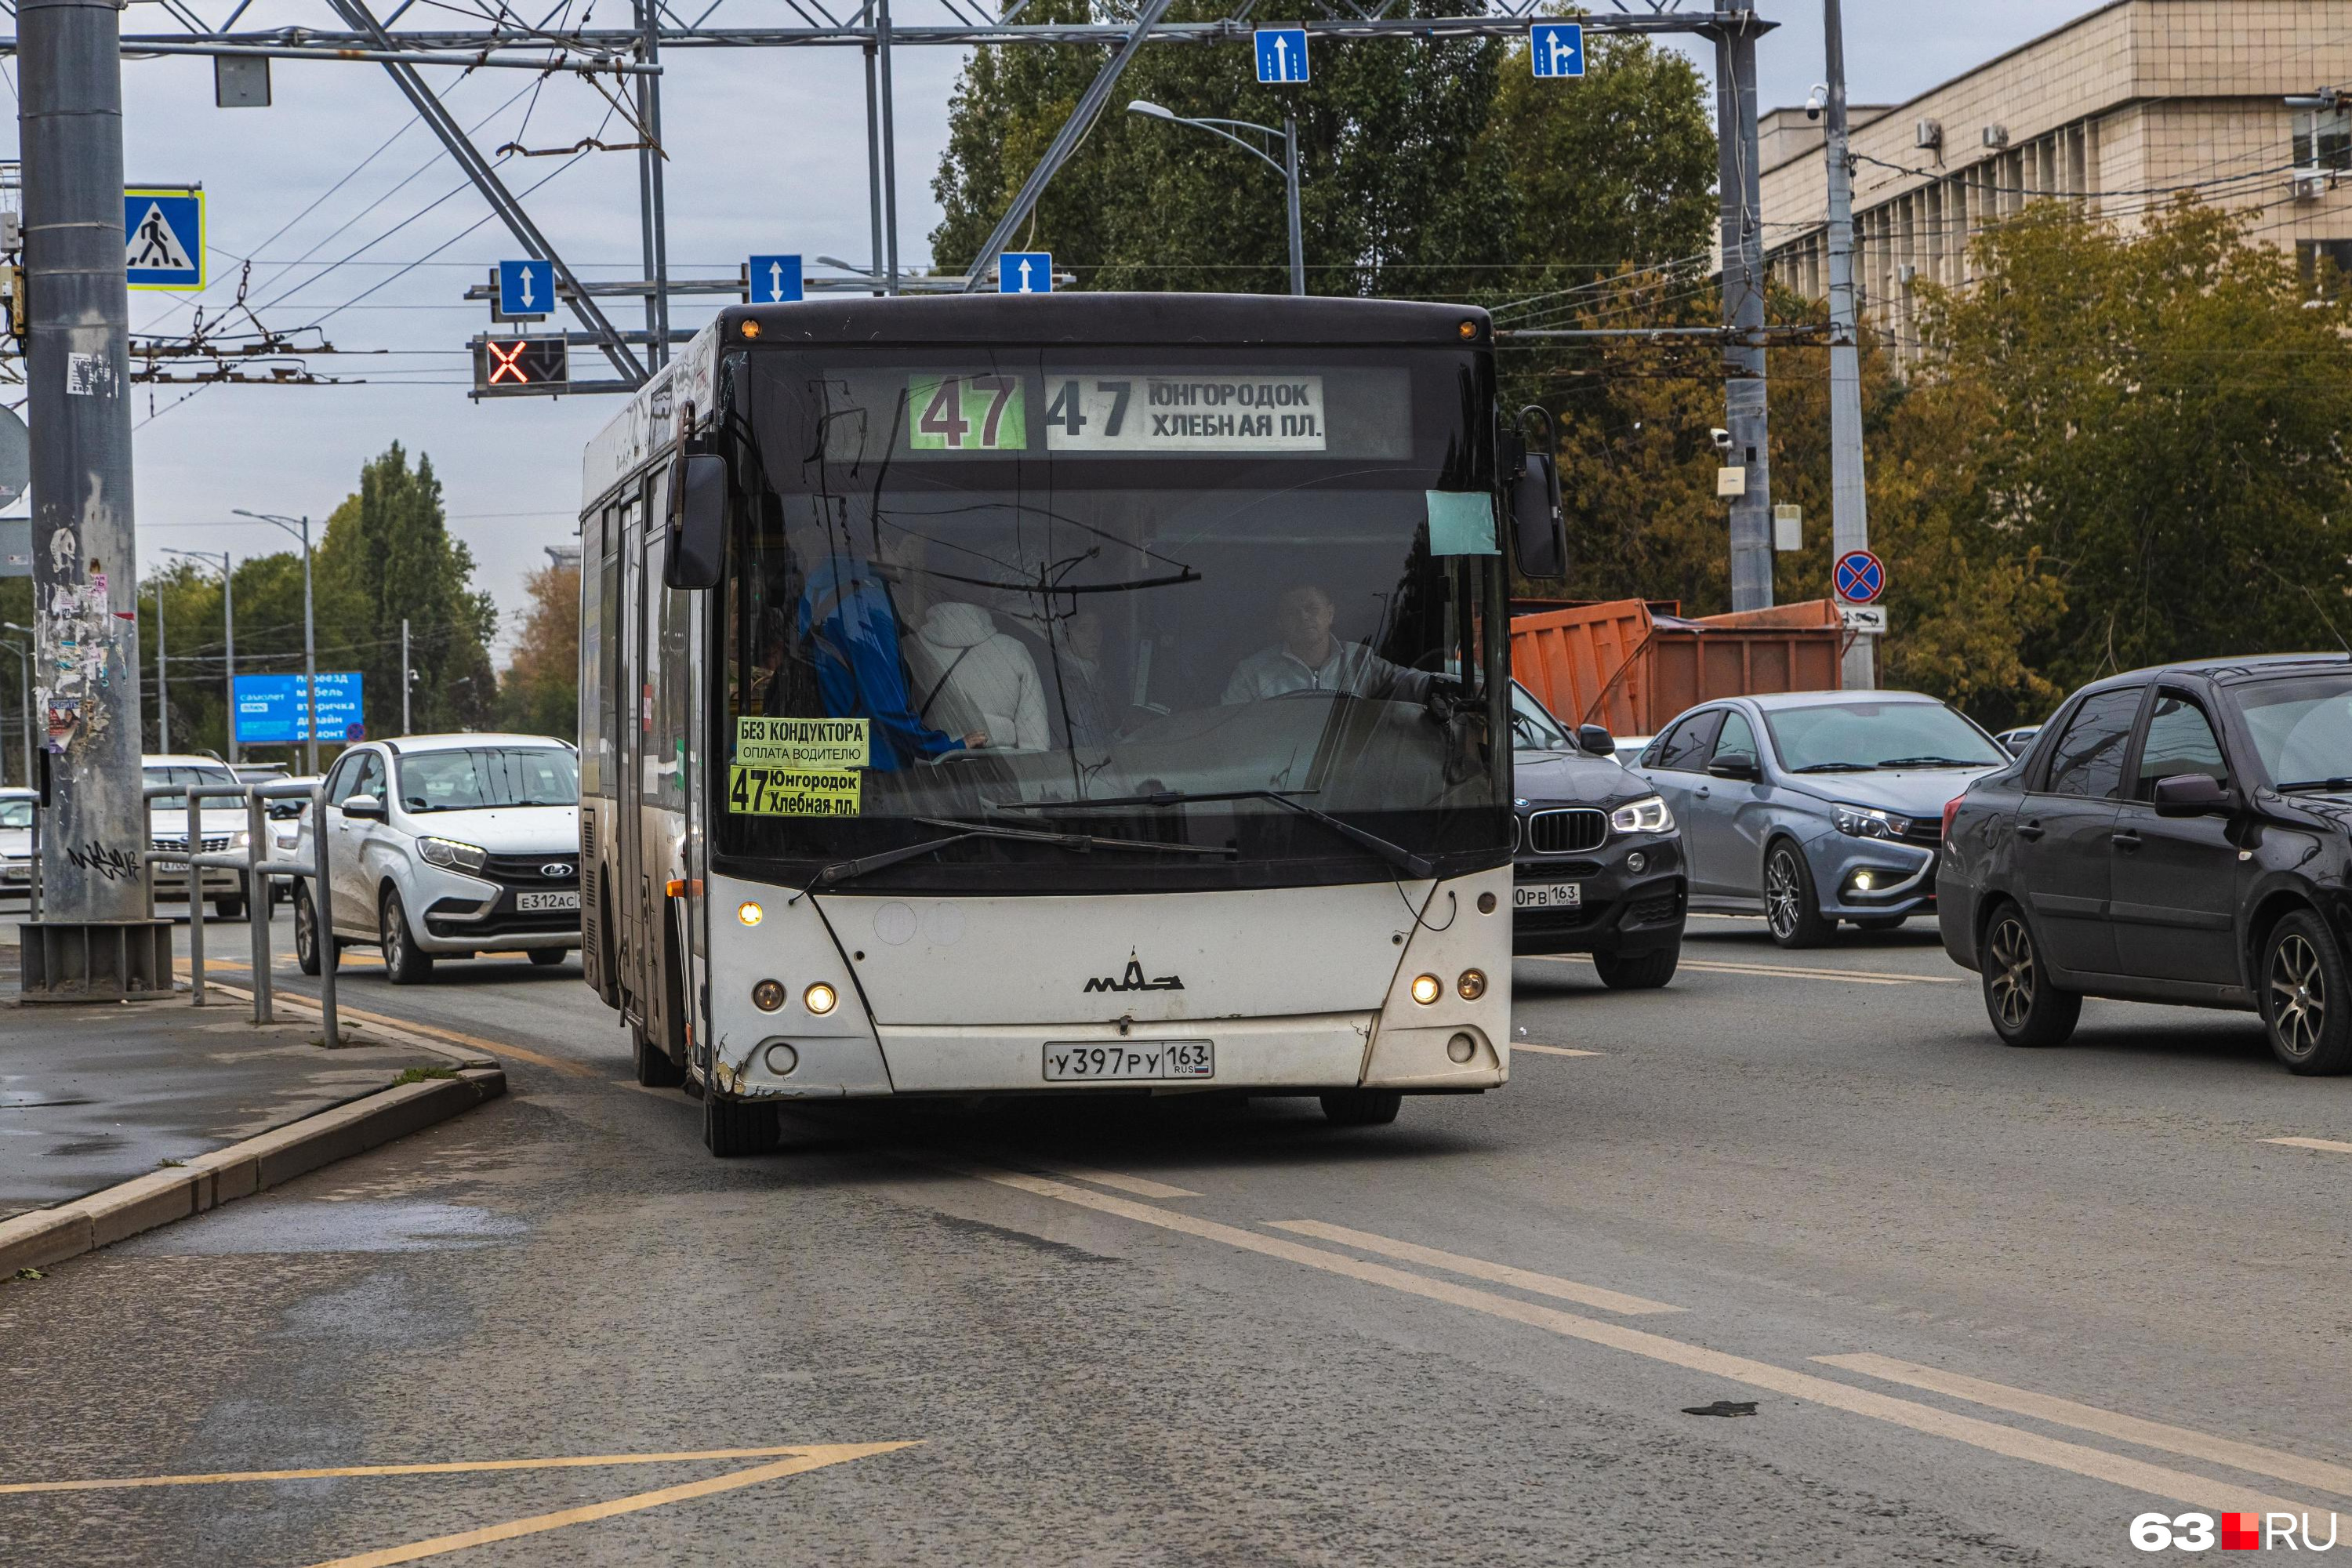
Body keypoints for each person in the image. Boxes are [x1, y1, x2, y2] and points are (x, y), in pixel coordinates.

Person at [784, 527, 986, 771]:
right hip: (874, 770)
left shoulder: (819, 587)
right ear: (881, 541)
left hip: (834, 758)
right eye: (908, 547)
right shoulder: (864, 599)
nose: (912, 558)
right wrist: (944, 747)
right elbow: (885, 706)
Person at [1222, 583, 1436, 704]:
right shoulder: (1252, 673)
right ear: (1280, 624)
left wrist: (1462, 686)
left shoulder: (1360, 661)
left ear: (1330, 614)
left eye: (1312, 609)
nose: (1304, 617)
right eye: (1292, 613)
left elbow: (1411, 683)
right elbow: (1233, 731)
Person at [905, 601, 1051, 751]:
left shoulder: (906, 648)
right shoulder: (1013, 650)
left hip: (928, 772)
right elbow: (1037, 744)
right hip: (1007, 771)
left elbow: (895, 732)